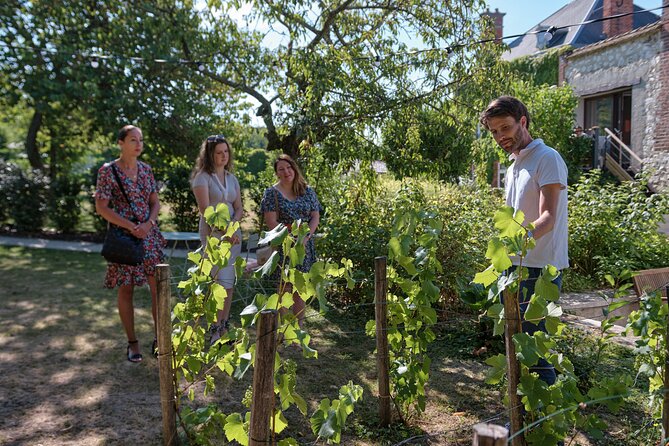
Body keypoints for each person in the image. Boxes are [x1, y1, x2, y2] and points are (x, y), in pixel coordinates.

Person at [480, 96, 569, 386]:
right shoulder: (516, 164)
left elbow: (548, 217)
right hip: (515, 265)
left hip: (539, 268)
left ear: (523, 122)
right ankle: (523, 418)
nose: (500, 137)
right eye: (494, 131)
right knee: (517, 346)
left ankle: (541, 421)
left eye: (505, 128)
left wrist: (516, 244)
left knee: (535, 351)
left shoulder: (547, 158)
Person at [95, 125, 166, 363]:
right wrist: (129, 225)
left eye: (141, 140)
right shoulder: (108, 171)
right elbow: (102, 207)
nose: (138, 144)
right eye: (133, 140)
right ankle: (133, 343)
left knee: (158, 289)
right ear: (121, 143)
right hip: (125, 240)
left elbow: (155, 202)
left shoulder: (146, 170)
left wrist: (148, 223)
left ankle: (160, 340)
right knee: (126, 289)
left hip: (149, 237)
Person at [191, 134, 243, 345]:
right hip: (213, 235)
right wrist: (224, 232)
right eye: (219, 152)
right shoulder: (202, 178)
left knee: (229, 283)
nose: (223, 156)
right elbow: (205, 210)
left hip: (233, 235)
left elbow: (239, 207)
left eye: (226, 152)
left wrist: (233, 229)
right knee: (217, 284)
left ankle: (223, 327)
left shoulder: (232, 178)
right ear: (210, 154)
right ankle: (213, 330)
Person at [260, 154, 322, 328]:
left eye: (289, 167)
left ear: (294, 169)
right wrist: (292, 236)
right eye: (281, 169)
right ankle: (283, 330)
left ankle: (298, 329)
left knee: (300, 289)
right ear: (277, 173)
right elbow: (272, 222)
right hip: (283, 246)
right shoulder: (272, 193)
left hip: (304, 247)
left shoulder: (307, 190)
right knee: (285, 289)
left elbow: (315, 216)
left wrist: (305, 236)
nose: (286, 172)